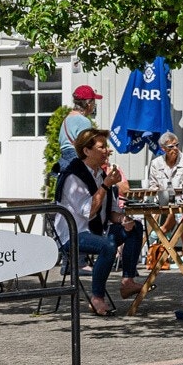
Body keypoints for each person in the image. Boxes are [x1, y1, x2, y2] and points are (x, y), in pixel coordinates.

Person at [54, 128, 144, 316]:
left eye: (106, 147)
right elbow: (89, 211)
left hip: (96, 232)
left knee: (135, 227)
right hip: (72, 234)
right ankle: (97, 298)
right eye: (102, 147)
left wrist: (123, 219)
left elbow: (111, 213)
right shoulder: (73, 177)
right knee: (107, 245)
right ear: (87, 151)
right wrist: (106, 185)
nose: (107, 151)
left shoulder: (100, 174)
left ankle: (127, 281)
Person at [56, 85, 103, 163]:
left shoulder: (66, 119)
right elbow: (87, 146)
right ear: (89, 103)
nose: (94, 105)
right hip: (77, 157)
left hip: (64, 159)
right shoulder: (84, 121)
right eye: (94, 101)